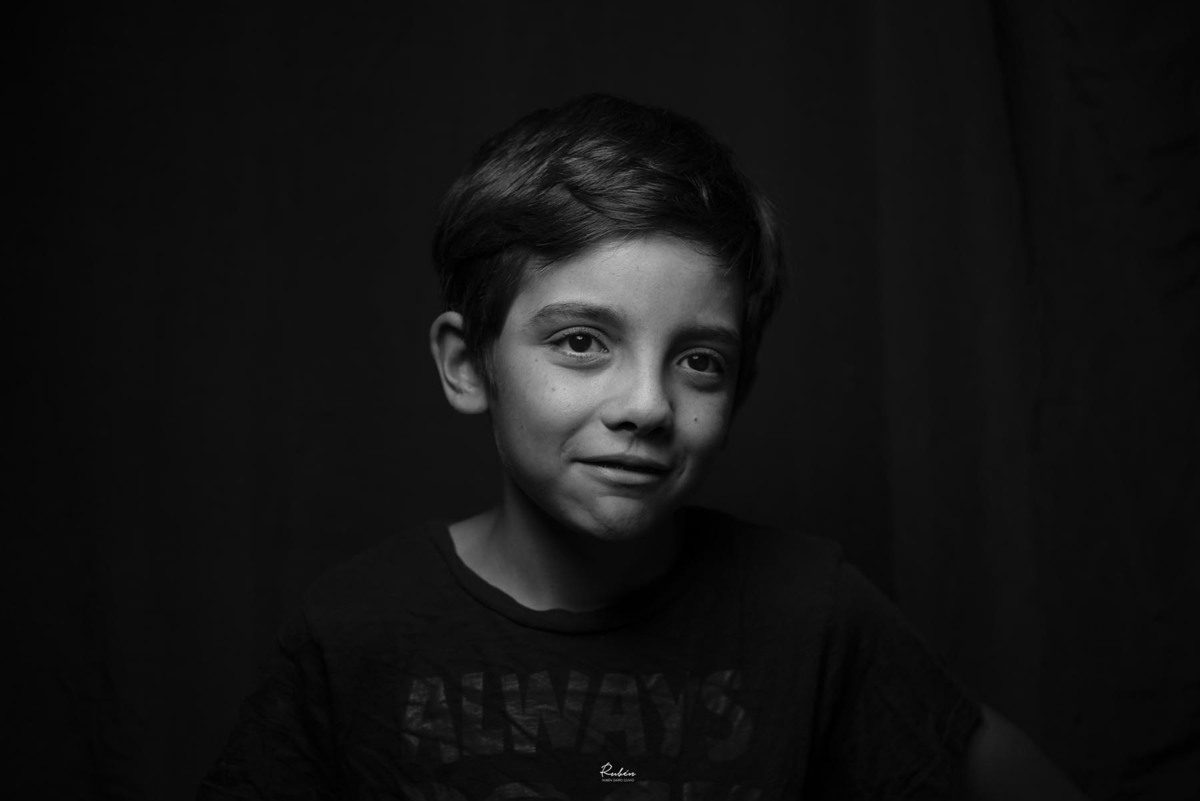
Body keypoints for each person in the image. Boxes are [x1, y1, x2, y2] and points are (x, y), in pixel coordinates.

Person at [199, 94, 1085, 800]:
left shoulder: (810, 611)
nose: (648, 405)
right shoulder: (357, 627)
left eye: (700, 361)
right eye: (583, 341)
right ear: (468, 365)